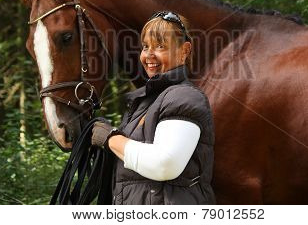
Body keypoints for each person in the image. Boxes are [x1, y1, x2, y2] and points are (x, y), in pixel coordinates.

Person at [91, 11, 216, 205]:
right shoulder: (144, 102)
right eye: (145, 46)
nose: (148, 55)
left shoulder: (184, 97)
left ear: (184, 51)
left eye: (160, 46)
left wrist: (110, 139)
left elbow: (165, 165)